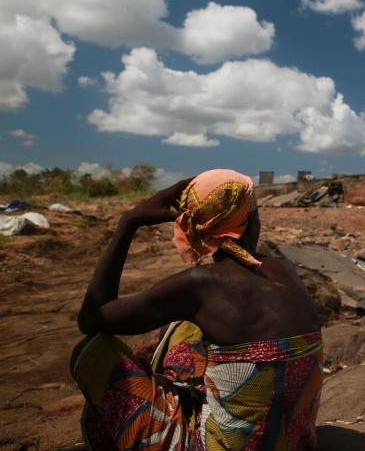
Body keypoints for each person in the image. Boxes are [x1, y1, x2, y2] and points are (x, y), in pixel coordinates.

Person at [70, 169, 323, 450]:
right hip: (295, 443)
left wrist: (129, 221)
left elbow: (92, 318)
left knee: (90, 351)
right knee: (187, 328)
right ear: (252, 222)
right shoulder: (283, 268)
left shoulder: (199, 286)